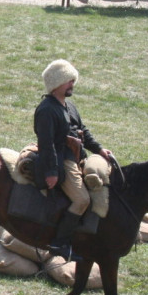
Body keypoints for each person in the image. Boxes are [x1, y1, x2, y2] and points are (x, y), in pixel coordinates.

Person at [33, 60, 112, 262]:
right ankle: (60, 243)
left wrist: (100, 149)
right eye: (68, 81)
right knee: (82, 199)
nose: (72, 85)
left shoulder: (69, 107)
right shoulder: (46, 110)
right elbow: (46, 144)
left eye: (72, 80)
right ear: (56, 84)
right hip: (62, 160)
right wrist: (51, 172)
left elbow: (83, 130)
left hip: (77, 157)